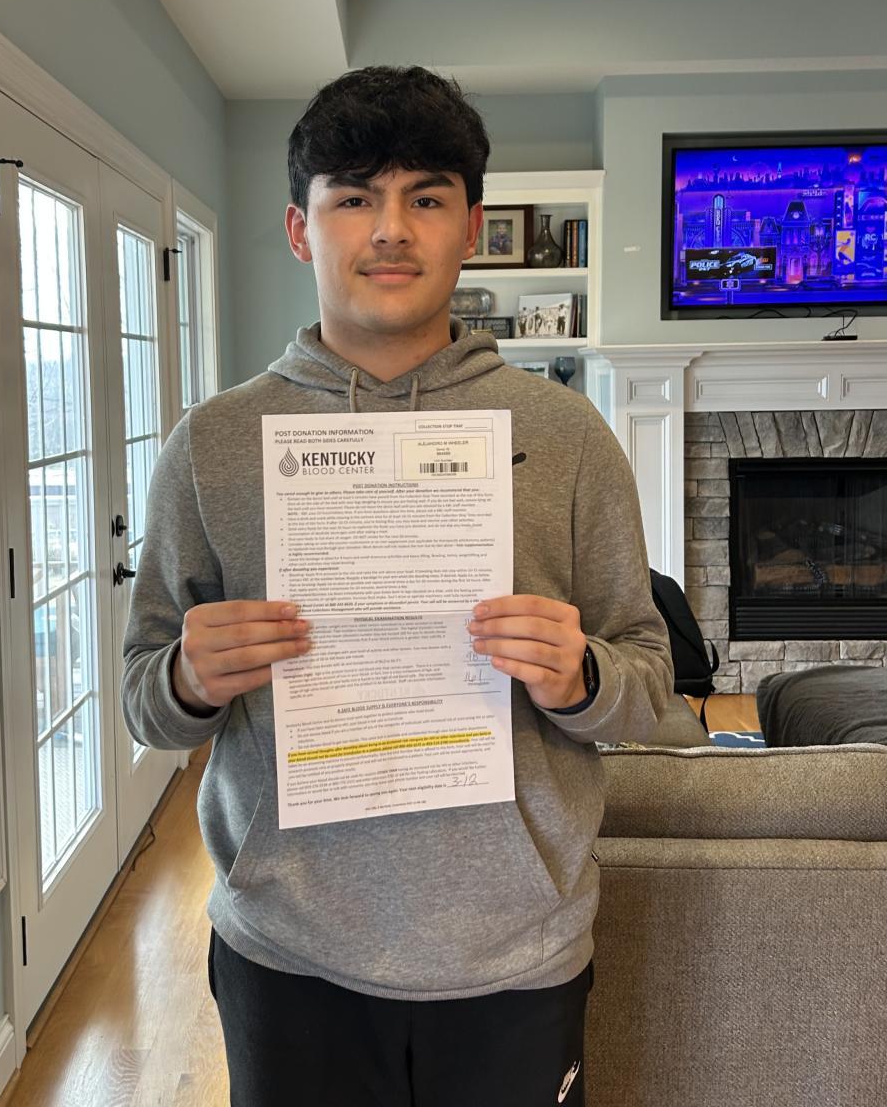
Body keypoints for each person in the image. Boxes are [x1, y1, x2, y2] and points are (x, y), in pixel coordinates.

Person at [122, 65, 673, 1107]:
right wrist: (190, 677)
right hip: (290, 955)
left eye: (426, 196)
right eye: (353, 197)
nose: (390, 229)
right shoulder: (213, 445)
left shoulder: (568, 437)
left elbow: (650, 685)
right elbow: (143, 700)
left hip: (515, 953)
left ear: (472, 228)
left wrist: (582, 676)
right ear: (301, 229)